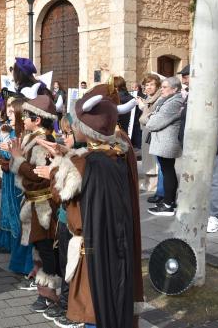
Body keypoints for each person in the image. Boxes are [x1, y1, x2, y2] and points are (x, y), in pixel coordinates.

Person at [42, 84, 137, 328]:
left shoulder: (87, 163)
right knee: (108, 295)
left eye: (76, 123)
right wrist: (67, 155)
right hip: (113, 243)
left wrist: (54, 170)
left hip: (91, 247)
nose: (72, 127)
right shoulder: (115, 153)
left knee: (92, 302)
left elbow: (61, 193)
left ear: (87, 129)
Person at [33, 114, 86, 327]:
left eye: (67, 134)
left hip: (75, 222)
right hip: (65, 220)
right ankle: (65, 303)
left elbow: (62, 193)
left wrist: (53, 173)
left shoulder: (82, 160)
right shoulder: (74, 156)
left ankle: (71, 307)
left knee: (72, 267)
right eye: (63, 133)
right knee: (65, 266)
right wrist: (60, 156)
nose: (64, 138)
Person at [9, 92, 59, 313]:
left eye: (26, 116)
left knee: (46, 248)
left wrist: (18, 159)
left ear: (37, 120)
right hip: (32, 204)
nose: (23, 120)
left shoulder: (43, 142)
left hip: (43, 206)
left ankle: (51, 293)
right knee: (39, 248)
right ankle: (43, 288)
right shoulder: (33, 137)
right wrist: (14, 157)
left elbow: (38, 175)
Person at [0, 100, 34, 278]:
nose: (9, 115)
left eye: (13, 113)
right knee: (7, 208)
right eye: (9, 112)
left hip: (18, 178)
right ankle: (10, 245)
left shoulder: (24, 134)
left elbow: (23, 158)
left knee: (17, 213)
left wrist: (6, 150)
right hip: (9, 175)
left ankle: (21, 254)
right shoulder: (9, 130)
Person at [146, 76, 184, 216]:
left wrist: (151, 118)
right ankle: (169, 201)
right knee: (167, 170)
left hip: (167, 142)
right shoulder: (168, 100)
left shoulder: (174, 102)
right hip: (164, 141)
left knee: (167, 171)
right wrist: (152, 116)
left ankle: (168, 205)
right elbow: (153, 116)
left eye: (164, 87)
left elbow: (152, 123)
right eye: (161, 87)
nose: (161, 90)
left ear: (174, 89)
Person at [136, 74, 162, 199]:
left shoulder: (159, 98)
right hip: (146, 131)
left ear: (157, 86)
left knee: (152, 159)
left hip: (153, 132)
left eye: (152, 84)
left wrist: (142, 108)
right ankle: (148, 183)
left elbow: (152, 116)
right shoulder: (149, 97)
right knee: (147, 157)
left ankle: (153, 185)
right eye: (147, 85)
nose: (149, 87)